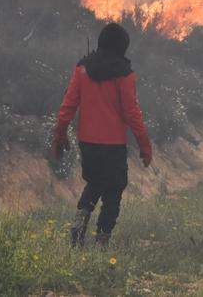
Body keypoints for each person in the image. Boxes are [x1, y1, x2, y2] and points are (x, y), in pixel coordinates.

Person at [52, 23, 153, 247]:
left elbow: (68, 106)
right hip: (113, 144)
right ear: (122, 47)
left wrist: (60, 135)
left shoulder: (82, 69)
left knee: (94, 183)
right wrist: (145, 145)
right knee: (113, 192)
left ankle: (80, 221)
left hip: (87, 142)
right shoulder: (124, 74)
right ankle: (101, 242)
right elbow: (132, 113)